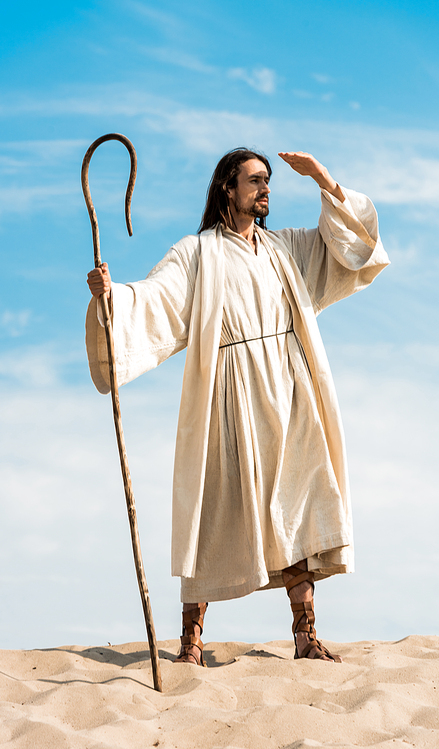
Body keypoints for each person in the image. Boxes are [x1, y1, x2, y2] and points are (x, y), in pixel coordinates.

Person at [86, 148, 389, 665]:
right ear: (228, 188)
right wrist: (111, 298)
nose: (265, 188)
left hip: (290, 396)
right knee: (213, 509)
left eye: (268, 180)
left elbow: (353, 245)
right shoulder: (198, 254)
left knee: (298, 503)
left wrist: (322, 177)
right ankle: (191, 642)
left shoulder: (284, 249)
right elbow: (156, 300)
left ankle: (305, 635)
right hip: (228, 394)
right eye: (255, 180)